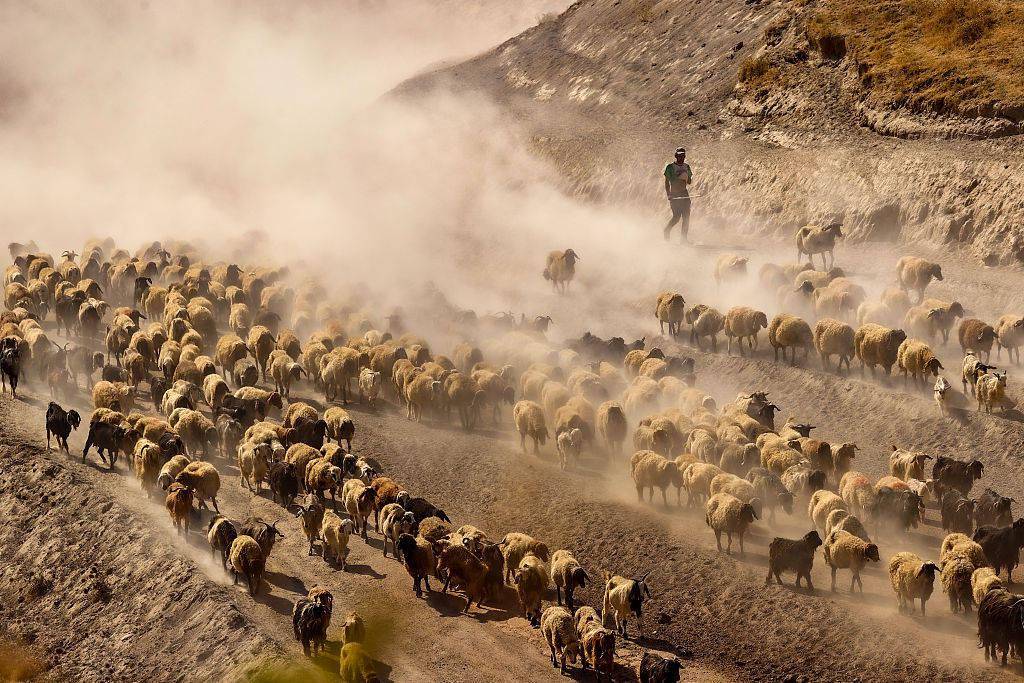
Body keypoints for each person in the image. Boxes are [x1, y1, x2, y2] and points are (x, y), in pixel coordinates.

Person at [663, 147, 693, 243]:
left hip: (684, 194)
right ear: (676, 156)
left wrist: (686, 177)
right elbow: (667, 182)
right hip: (674, 194)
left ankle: (683, 239)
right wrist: (669, 194)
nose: (681, 157)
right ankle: (666, 230)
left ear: (684, 156)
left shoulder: (686, 167)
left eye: (683, 155)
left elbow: (689, 182)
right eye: (679, 155)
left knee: (686, 217)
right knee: (676, 217)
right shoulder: (670, 167)